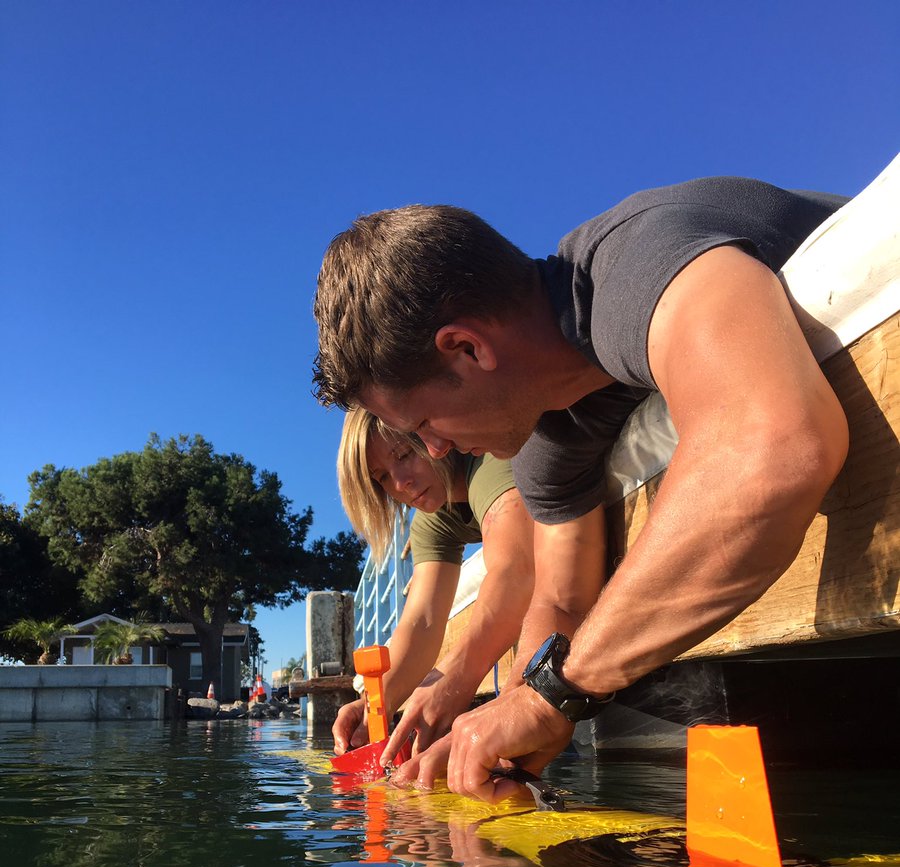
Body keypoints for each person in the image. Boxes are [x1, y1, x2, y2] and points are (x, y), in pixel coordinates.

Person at [314, 177, 850, 799]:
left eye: (424, 425)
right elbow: (564, 599)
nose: (434, 451)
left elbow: (774, 448)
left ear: (466, 348)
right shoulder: (547, 443)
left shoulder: (631, 265)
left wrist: (554, 694)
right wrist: (501, 736)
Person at [333, 407, 534, 756]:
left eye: (404, 455)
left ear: (430, 434)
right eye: (382, 477)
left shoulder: (489, 461)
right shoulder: (431, 519)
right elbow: (422, 620)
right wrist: (372, 706)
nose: (400, 483)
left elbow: (518, 567)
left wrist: (455, 678)